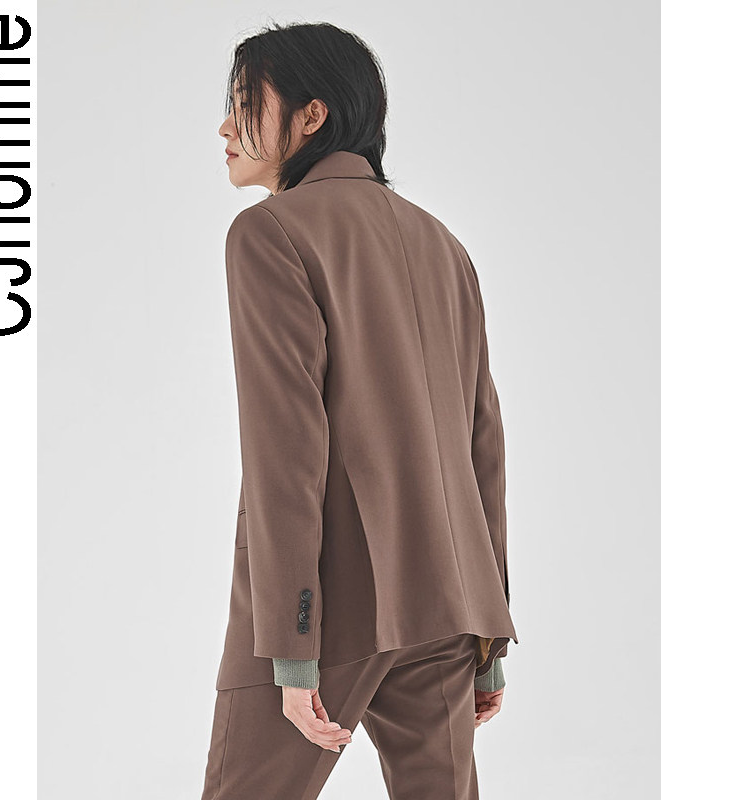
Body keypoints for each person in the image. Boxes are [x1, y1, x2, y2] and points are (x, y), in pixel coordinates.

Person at [202, 20, 519, 800]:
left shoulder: (270, 233)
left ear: (311, 116)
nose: (225, 127)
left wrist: (291, 645)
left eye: (244, 103)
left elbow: (287, 452)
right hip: (448, 606)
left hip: (326, 608)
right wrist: (489, 636)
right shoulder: (445, 245)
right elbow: (482, 443)